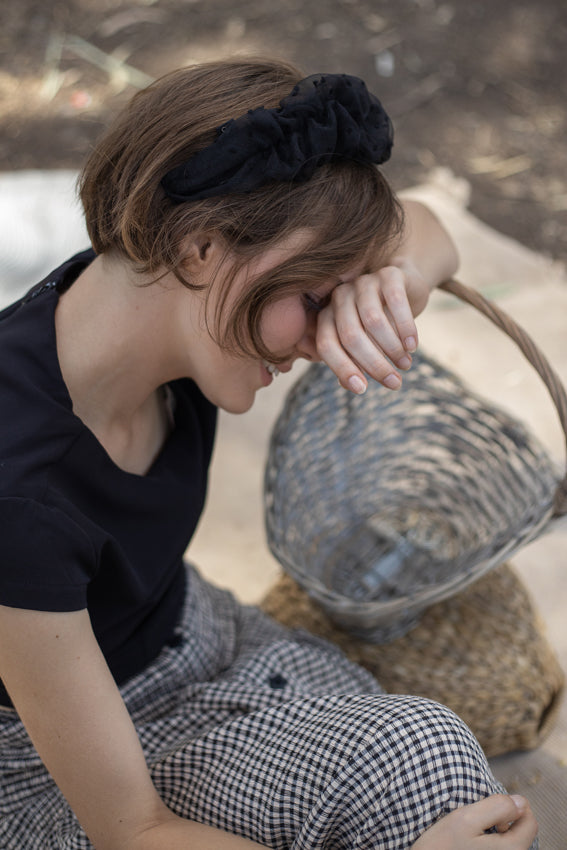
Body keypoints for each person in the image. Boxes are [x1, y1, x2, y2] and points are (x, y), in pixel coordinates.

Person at [0, 57, 538, 850]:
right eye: (313, 299)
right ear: (201, 248)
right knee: (424, 772)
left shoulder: (134, 307)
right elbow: (133, 829)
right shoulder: (18, 490)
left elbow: (425, 230)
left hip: (204, 632)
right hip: (60, 768)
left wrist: (382, 287)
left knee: (429, 770)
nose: (323, 342)